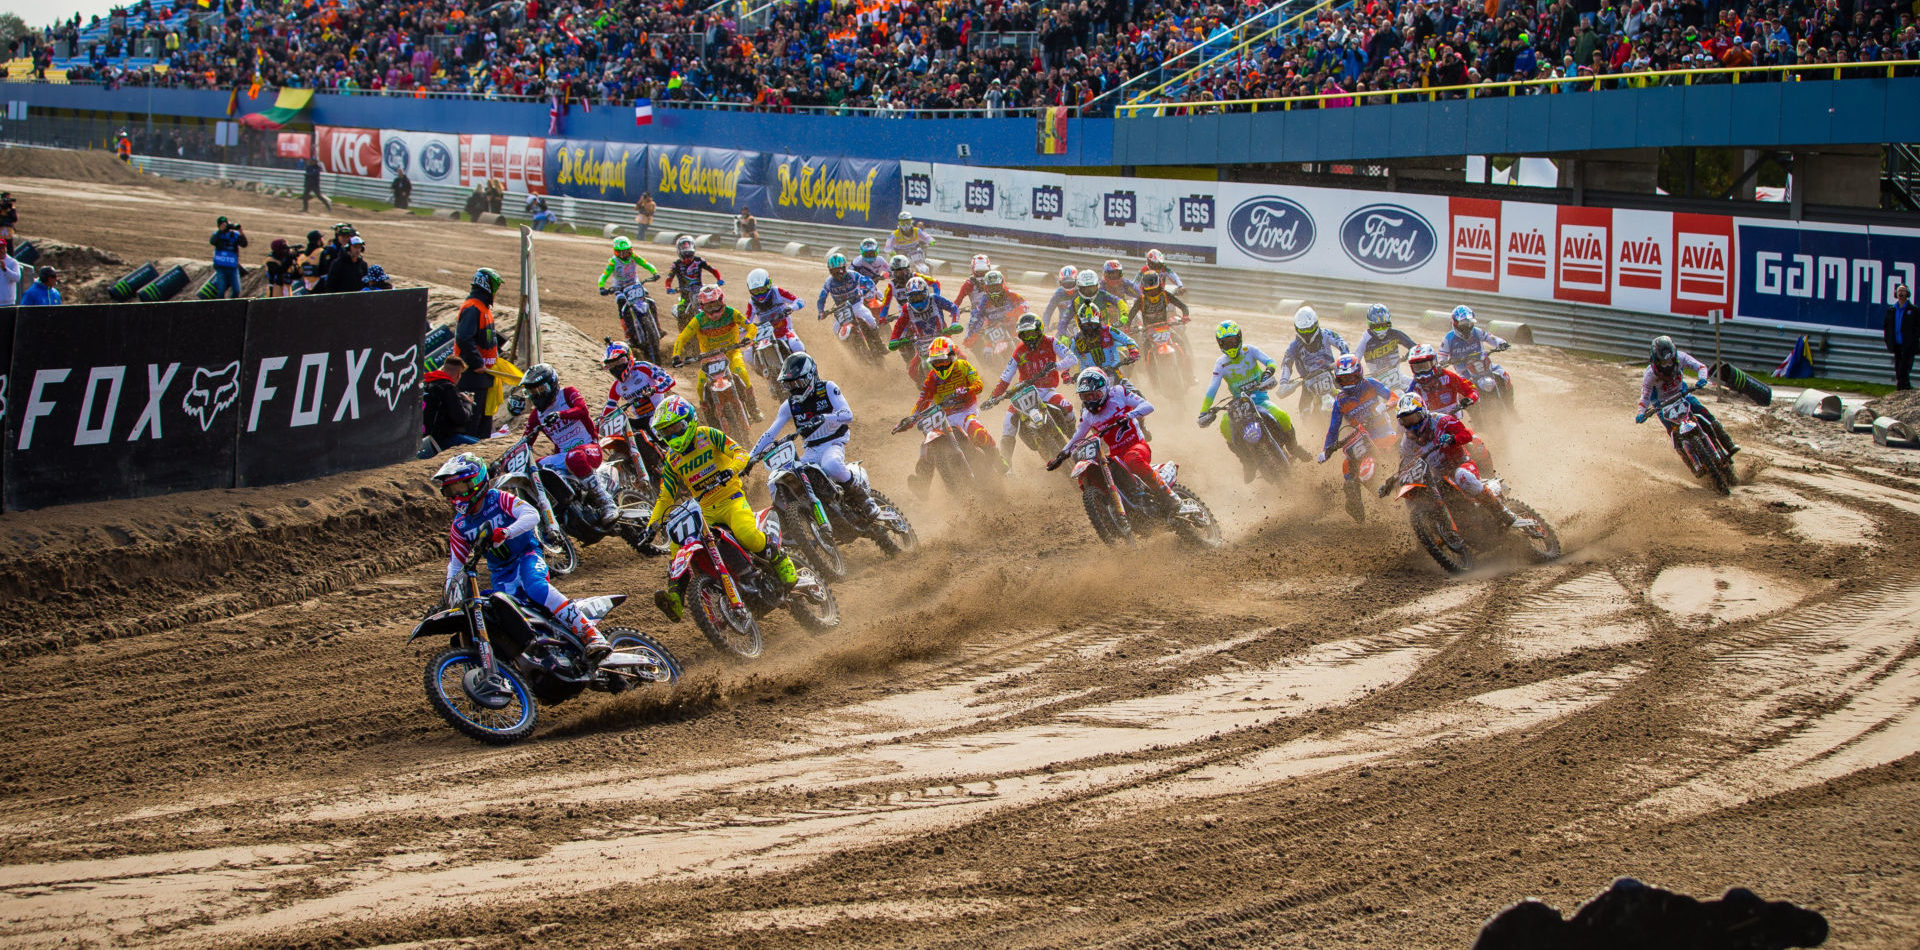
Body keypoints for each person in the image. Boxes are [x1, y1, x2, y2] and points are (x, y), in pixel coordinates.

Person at [430, 452, 612, 663]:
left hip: (526, 555)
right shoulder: (460, 526)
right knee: (503, 613)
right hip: (501, 573)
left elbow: (532, 515)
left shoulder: (497, 498)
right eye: (451, 490)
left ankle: (591, 635)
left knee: (536, 587)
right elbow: (455, 565)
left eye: (460, 487)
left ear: (476, 481)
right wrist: (449, 596)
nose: (456, 494)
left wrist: (507, 532)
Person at [644, 395, 802, 622]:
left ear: (689, 422)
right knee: (678, 544)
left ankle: (779, 559)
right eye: (667, 433)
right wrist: (652, 524)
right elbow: (665, 496)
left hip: (731, 499)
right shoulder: (672, 459)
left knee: (746, 533)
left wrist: (733, 469)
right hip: (704, 511)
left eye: (676, 429)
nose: (673, 436)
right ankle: (675, 600)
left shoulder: (708, 435)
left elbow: (740, 453)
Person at [751, 353, 883, 520]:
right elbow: (770, 433)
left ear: (811, 376)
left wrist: (825, 417)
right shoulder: (789, 406)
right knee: (792, 476)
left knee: (832, 464)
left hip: (833, 441)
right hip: (812, 449)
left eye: (799, 382)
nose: (795, 388)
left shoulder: (827, 388)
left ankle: (866, 500)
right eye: (790, 384)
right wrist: (750, 458)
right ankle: (804, 519)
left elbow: (848, 414)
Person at [1047, 367, 1193, 516]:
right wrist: (1060, 456)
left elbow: (1148, 406)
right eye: (1085, 397)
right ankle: (1112, 513)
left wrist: (1129, 415)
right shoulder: (1087, 415)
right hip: (1116, 455)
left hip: (1137, 445)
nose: (1090, 400)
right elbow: (1077, 438)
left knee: (1133, 459)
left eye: (1093, 395)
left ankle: (1172, 498)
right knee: (1099, 472)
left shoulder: (1118, 393)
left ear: (1104, 390)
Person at [1390, 393, 1534, 532]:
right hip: (1438, 477)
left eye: (1413, 418)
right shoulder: (1407, 442)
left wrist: (1453, 439)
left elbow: (1466, 434)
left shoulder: (1441, 420)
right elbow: (1405, 462)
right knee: (1416, 497)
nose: (1411, 424)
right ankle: (1429, 535)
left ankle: (1505, 514)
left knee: (1462, 477)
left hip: (1461, 464)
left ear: (1423, 412)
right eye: (1406, 421)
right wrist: (1394, 480)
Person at [1198, 321, 1311, 482]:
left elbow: (1270, 362)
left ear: (1239, 338)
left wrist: (1267, 374)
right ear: (1220, 344)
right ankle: (1247, 462)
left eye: (1232, 341)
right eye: (1226, 342)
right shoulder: (1220, 363)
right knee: (1224, 427)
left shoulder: (1249, 351)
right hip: (1238, 406)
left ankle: (1294, 448)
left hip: (1259, 399)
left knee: (1283, 416)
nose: (1230, 345)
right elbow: (1212, 388)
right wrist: (1204, 411)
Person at [518, 363, 620, 526]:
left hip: (590, 448)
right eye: (531, 392)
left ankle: (606, 502)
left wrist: (560, 415)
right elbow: (526, 440)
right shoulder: (536, 415)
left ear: (551, 385)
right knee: (534, 469)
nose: (536, 395)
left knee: (575, 456)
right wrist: (504, 460)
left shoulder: (568, 394)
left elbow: (582, 410)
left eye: (539, 390)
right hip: (564, 455)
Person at [897, 336, 1003, 489]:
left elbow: (979, 384)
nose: (940, 365)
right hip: (944, 416)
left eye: (943, 360)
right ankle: (922, 482)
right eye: (936, 362)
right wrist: (909, 420)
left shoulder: (963, 366)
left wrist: (968, 389)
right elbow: (922, 401)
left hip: (965, 411)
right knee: (927, 444)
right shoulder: (931, 378)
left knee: (977, 431)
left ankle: (999, 462)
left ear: (952, 356)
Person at [986, 313, 1079, 463]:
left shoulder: (1051, 341)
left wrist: (1056, 366)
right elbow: (1005, 377)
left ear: (1039, 330)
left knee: (1068, 408)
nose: (1029, 338)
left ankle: (1075, 439)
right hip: (1025, 393)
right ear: (1021, 335)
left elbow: (1072, 358)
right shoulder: (1019, 351)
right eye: (1025, 334)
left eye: (1032, 333)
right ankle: (1007, 465)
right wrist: (993, 398)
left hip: (1047, 391)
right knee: (1008, 423)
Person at [671, 285, 762, 422]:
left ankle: (753, 409)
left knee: (741, 372)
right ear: (702, 306)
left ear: (722, 300)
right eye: (708, 306)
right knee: (700, 386)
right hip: (709, 359)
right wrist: (676, 355)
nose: (713, 309)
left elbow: (751, 326)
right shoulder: (699, 319)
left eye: (715, 304)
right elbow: (682, 337)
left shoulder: (731, 313)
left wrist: (748, 338)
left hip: (731, 353)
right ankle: (710, 419)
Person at [1637, 336, 1738, 455]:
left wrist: (1702, 379)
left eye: (1670, 361)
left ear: (1674, 355)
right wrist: (1641, 413)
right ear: (1656, 360)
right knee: (1673, 432)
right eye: (1664, 362)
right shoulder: (1650, 374)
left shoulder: (1681, 357)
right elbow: (1645, 395)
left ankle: (1728, 443)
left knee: (1704, 413)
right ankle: (1686, 456)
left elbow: (1700, 367)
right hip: (1662, 405)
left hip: (1682, 394)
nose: (1668, 365)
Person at [601, 340, 676, 487]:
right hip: (641, 418)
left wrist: (655, 388)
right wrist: (600, 421)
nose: (616, 367)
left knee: (655, 426)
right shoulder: (617, 387)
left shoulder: (643, 368)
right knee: (625, 427)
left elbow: (669, 380)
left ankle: (673, 454)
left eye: (619, 362)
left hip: (661, 410)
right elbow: (609, 406)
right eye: (612, 365)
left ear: (628, 358)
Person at [1318, 353, 1399, 462]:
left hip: (1384, 434)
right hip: (1361, 442)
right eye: (1343, 380)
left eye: (1351, 378)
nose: (1348, 383)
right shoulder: (1339, 402)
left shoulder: (1371, 383)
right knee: (1347, 466)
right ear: (1337, 380)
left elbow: (1394, 397)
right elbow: (1333, 430)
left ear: (1359, 374)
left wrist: (1385, 406)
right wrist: (1325, 451)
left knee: (1393, 452)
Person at [455, 268, 505, 440]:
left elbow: (484, 338)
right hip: (472, 376)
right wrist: (477, 364)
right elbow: (464, 338)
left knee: (483, 422)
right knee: (471, 423)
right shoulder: (473, 308)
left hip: (484, 377)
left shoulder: (483, 308)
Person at [887, 276, 962, 378]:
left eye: (919, 296)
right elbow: (899, 326)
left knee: (962, 358)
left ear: (926, 292)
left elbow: (954, 308)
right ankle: (925, 388)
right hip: (922, 345)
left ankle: (971, 380)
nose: (917, 299)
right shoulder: (907, 308)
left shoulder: (935, 299)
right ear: (908, 297)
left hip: (943, 339)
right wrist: (894, 339)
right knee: (913, 372)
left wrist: (954, 323)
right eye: (913, 297)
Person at [1126, 271, 1193, 383]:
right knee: (1143, 352)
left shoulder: (1165, 295)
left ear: (1159, 286)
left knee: (1181, 344)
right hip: (1148, 331)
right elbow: (1131, 314)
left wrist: (1185, 315)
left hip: (1166, 327)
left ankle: (1188, 375)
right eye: (1149, 291)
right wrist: (1127, 326)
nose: (1152, 293)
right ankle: (1153, 381)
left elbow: (1183, 306)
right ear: (1144, 289)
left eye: (1154, 290)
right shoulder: (1141, 300)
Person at [743, 267, 808, 368]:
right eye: (756, 291)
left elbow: (800, 301)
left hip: (785, 331)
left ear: (768, 284)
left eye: (762, 289)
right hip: (764, 336)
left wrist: (790, 308)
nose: (759, 294)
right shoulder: (752, 303)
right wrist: (738, 331)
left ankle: (807, 368)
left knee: (797, 346)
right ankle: (765, 373)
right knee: (747, 355)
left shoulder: (777, 292)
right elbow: (747, 321)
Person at [1279, 306, 1350, 392]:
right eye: (1303, 331)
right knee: (1305, 405)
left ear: (1316, 324)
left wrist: (1343, 362)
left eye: (1309, 329)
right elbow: (1286, 362)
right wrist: (1284, 382)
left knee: (1347, 397)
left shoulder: (1326, 334)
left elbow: (1342, 344)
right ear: (1297, 329)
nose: (1306, 334)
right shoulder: (1295, 345)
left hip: (1329, 376)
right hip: (1307, 383)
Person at [421, 354, 479, 457]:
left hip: (423, 439)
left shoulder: (426, 384)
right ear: (458, 375)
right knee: (482, 446)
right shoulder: (448, 388)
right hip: (441, 440)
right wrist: (467, 403)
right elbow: (461, 418)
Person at [1069, 302, 1139, 379]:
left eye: (1093, 325)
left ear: (1099, 321)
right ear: (1080, 324)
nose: (1090, 329)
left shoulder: (1109, 330)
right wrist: (1065, 373)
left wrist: (1133, 351)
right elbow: (1067, 357)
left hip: (1113, 374)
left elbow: (1128, 340)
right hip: (1088, 379)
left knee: (1127, 390)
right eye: (1086, 326)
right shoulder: (1076, 339)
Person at [666, 236, 723, 328]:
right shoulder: (676, 264)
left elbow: (713, 270)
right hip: (684, 293)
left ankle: (719, 325)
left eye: (689, 256)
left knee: (714, 303)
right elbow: (669, 278)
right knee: (681, 311)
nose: (687, 259)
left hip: (699, 291)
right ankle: (684, 334)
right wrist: (668, 288)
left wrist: (719, 279)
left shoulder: (699, 260)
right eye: (685, 256)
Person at [1440, 305, 1511, 378]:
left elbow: (1491, 338)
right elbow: (1443, 358)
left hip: (1484, 363)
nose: (1467, 326)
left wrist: (1501, 343)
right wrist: (1444, 363)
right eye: (1463, 324)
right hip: (1465, 372)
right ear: (1455, 323)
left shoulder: (1477, 331)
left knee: (1502, 374)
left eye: (1469, 322)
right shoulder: (1448, 338)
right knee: (1464, 386)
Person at [965, 271, 1028, 354]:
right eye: (991, 287)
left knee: (1024, 338)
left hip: (1011, 324)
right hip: (994, 326)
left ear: (1002, 285)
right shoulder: (984, 300)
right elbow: (977, 314)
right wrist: (970, 333)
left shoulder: (1010, 294)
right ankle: (988, 354)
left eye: (996, 287)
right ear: (986, 287)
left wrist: (1017, 311)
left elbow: (1024, 304)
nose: (994, 290)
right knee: (982, 343)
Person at [816, 252, 881, 332]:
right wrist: (821, 312)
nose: (838, 273)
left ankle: (878, 340)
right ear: (830, 271)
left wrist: (864, 291)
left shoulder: (853, 275)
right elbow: (821, 298)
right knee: (835, 329)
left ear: (844, 268)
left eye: (839, 270)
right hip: (841, 310)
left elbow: (869, 282)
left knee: (869, 318)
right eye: (834, 271)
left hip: (856, 305)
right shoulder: (829, 282)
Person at [1359, 305, 1419, 382]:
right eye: (1377, 327)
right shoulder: (1366, 338)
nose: (1381, 330)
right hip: (1377, 379)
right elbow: (1356, 358)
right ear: (1370, 325)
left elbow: (1415, 347)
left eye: (1384, 326)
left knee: (1417, 384)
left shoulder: (1395, 334)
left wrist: (1407, 356)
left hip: (1397, 376)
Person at [1885, 284, 1917, 390]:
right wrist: (1888, 341)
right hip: (1896, 344)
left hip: (1908, 345)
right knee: (1898, 368)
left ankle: (1905, 388)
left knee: (1905, 368)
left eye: (1903, 291)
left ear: (1907, 294)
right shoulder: (1892, 310)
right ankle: (1902, 389)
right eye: (1899, 291)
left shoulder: (1913, 310)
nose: (1901, 293)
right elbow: (1887, 327)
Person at [208, 216, 248, 299]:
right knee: (221, 290)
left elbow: (244, 244)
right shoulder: (217, 235)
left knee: (237, 290)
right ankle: (220, 307)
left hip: (233, 267)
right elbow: (212, 241)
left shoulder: (234, 235)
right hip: (221, 267)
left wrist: (241, 232)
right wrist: (220, 231)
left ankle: (231, 306)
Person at [1042, 265, 1081, 337]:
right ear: (1060, 282)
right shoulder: (1058, 293)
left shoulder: (1082, 292)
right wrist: (1045, 325)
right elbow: (1049, 310)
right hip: (1063, 326)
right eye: (1065, 284)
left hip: (1080, 325)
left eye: (1071, 283)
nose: (1069, 288)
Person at [295, 229, 326, 294]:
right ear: (319, 241)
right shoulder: (322, 252)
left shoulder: (302, 257)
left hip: (307, 287)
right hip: (321, 287)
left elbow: (299, 273)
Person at [0, 239, 22, 305]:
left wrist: (5, 269)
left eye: (3, 248)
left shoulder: (12, 262)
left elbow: (17, 278)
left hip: (8, 303)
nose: (1, 250)